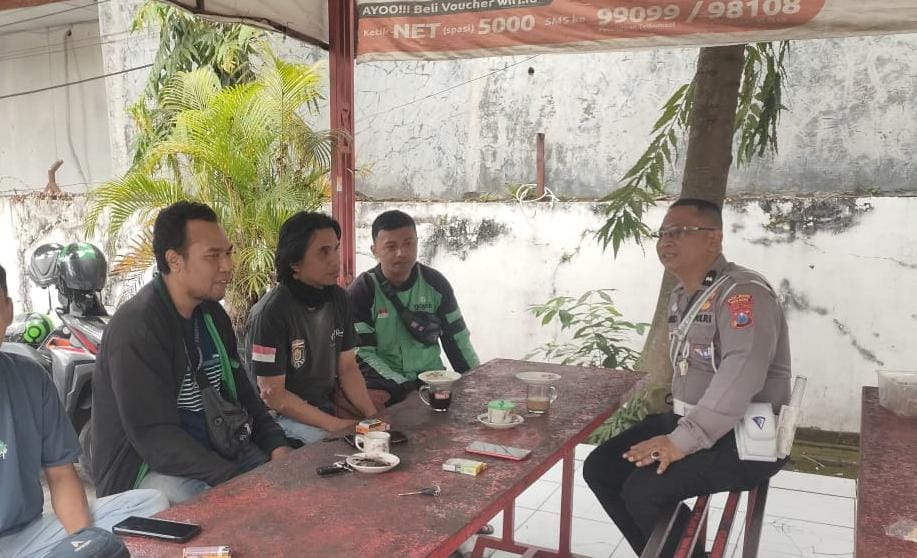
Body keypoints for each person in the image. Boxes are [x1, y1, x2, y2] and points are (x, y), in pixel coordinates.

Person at [583, 198, 791, 556]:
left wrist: (681, 441)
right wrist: (679, 431)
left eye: (679, 231)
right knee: (601, 468)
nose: (666, 241)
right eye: (662, 233)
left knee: (643, 491)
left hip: (746, 438)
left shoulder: (742, 294)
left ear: (714, 238)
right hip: (692, 420)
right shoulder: (684, 296)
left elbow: (740, 376)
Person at [91, 202, 292, 505]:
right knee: (232, 509)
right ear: (174, 261)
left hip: (220, 449)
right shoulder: (137, 327)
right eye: (213, 256)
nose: (227, 265)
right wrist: (234, 479)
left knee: (292, 489)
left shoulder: (212, 315)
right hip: (147, 468)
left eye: (228, 253)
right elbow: (155, 438)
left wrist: (276, 444)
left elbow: (243, 394)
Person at [0, 263, 168, 557]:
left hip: (27, 535)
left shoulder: (31, 378)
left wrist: (85, 545)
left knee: (148, 503)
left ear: (8, 310)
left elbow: (62, 477)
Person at [245, 212, 382, 445]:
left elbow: (348, 368)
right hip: (279, 419)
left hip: (325, 408)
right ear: (295, 263)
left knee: (382, 438)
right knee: (346, 449)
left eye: (336, 249)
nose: (335, 261)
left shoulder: (339, 298)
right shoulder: (270, 312)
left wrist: (373, 418)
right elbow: (273, 395)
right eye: (323, 252)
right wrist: (337, 426)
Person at [348, 210, 480, 403]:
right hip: (384, 387)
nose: (401, 253)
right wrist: (404, 389)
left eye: (408, 243)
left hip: (431, 382)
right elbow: (362, 354)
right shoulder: (363, 290)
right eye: (391, 246)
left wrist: (477, 382)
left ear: (417, 243)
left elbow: (458, 340)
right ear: (374, 250)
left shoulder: (435, 283)